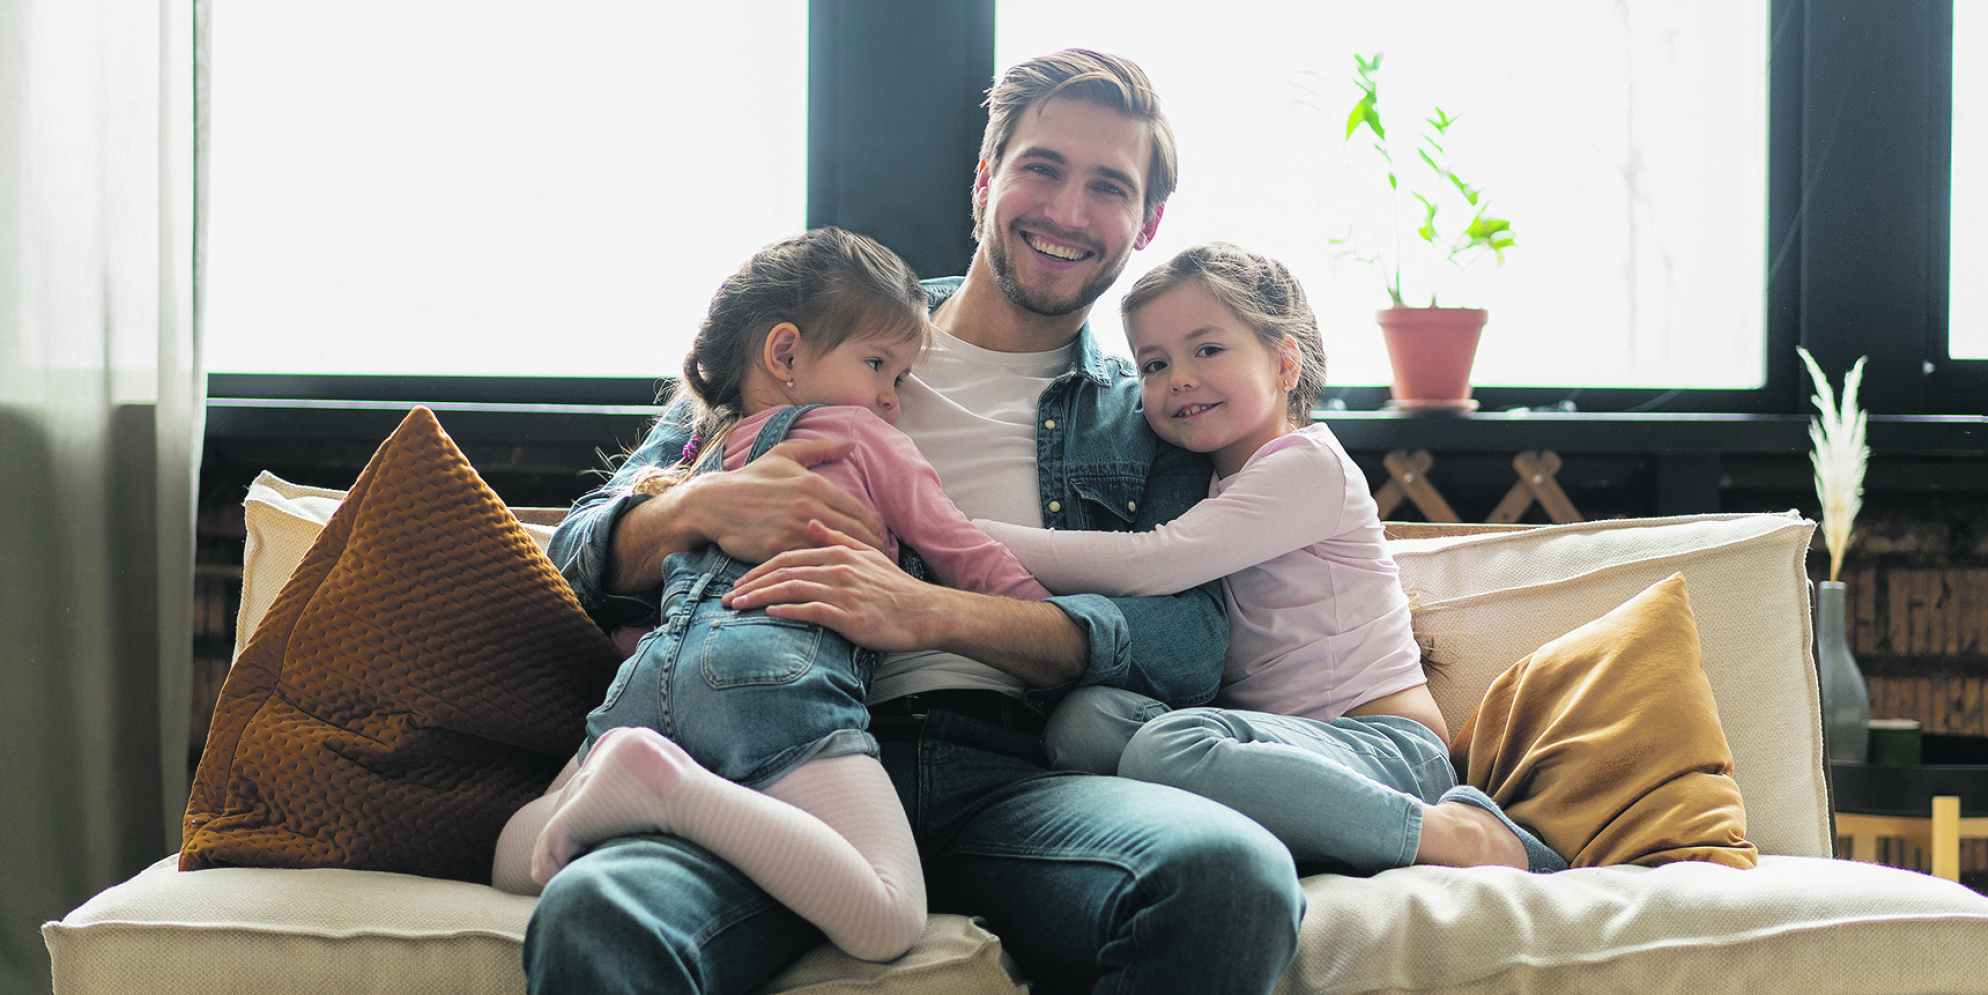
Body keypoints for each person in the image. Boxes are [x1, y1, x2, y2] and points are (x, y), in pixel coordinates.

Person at [526, 49, 1304, 995]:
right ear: (985, 180)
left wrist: (927, 612)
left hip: (1014, 776)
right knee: (604, 912)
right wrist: (696, 505)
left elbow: (1187, 645)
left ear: (1147, 223)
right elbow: (573, 552)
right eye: (1041, 168)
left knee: (1229, 876)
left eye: (1108, 186)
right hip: (768, 763)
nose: (1066, 210)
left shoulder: (1155, 412)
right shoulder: (823, 326)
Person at [491, 227, 1058, 963]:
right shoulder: (857, 435)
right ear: (785, 353)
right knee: (889, 913)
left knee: (513, 857)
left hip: (650, 680)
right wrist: (1041, 614)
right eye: (879, 366)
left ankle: (642, 771)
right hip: (771, 676)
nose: (890, 400)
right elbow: (959, 545)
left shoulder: (706, 453)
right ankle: (666, 787)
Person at [974, 243, 1567, 875]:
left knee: (1167, 748)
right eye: (1153, 363)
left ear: (1285, 362)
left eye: (1207, 350)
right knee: (1083, 723)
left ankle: (1455, 834)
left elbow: (1157, 562)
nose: (1178, 377)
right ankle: (1290, 836)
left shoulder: (1307, 465)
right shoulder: (1203, 485)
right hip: (1278, 746)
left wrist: (966, 535)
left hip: (1388, 751)